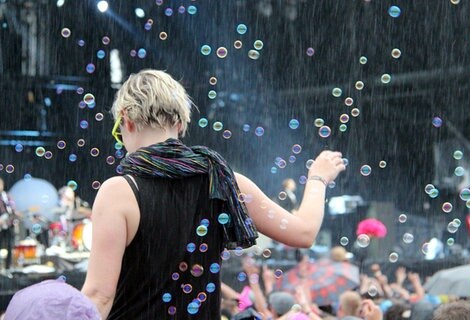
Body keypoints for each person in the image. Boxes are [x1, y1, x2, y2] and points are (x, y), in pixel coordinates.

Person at [80, 69, 346, 319]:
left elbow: (99, 296)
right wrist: (318, 178)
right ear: (181, 121)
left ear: (126, 118)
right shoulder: (224, 181)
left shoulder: (118, 191)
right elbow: (304, 232)